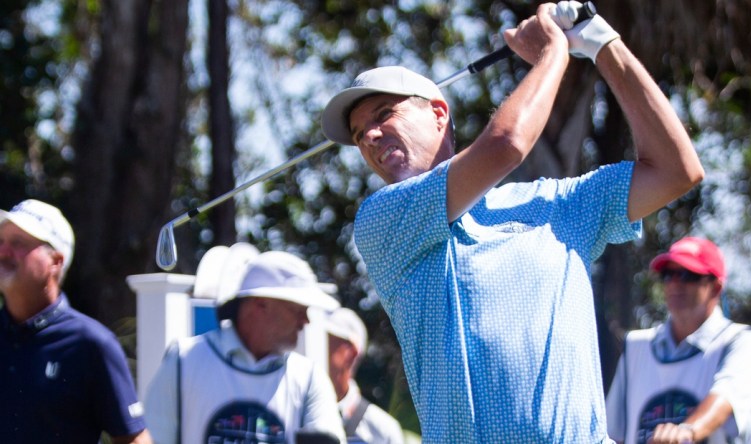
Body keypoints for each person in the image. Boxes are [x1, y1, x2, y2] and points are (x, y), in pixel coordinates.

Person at [319, 1, 705, 442]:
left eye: (384, 114)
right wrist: (552, 52)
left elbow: (677, 171)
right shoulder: (383, 219)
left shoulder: (557, 202)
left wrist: (602, 44)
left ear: (438, 113)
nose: (368, 136)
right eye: (357, 134)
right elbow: (506, 144)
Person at [145, 250, 347, 444]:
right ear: (261, 304)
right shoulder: (183, 360)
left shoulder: (309, 377)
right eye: (297, 310)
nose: (305, 321)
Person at [0, 199, 151, 443]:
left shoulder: (91, 344)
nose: (4, 252)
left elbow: (133, 439)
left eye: (18, 243)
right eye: (1, 241)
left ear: (55, 262)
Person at [605, 237, 751, 444]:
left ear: (716, 288)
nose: (675, 283)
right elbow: (613, 433)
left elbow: (725, 399)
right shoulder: (635, 346)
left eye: (687, 275)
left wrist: (686, 431)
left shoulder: (741, 342)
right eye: (668, 275)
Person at [324, 307, 405, 444]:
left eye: (325, 341)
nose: (315, 347)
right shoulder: (296, 412)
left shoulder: (383, 431)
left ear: (351, 353)